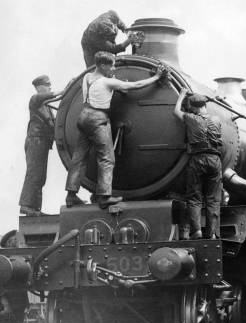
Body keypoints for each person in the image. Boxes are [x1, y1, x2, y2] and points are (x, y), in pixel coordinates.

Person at [65, 51, 164, 209]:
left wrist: (114, 83)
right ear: (103, 65)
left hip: (83, 116)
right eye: (111, 65)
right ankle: (104, 196)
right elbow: (135, 86)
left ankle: (71, 195)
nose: (113, 68)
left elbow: (100, 89)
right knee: (106, 158)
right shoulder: (107, 82)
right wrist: (156, 77)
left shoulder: (88, 77)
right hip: (98, 118)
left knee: (79, 157)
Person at [173, 88, 223, 239]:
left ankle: (197, 231)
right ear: (205, 105)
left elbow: (176, 111)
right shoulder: (217, 120)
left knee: (195, 197)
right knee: (213, 199)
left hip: (198, 159)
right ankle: (212, 233)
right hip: (215, 159)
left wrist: (181, 95)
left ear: (194, 108)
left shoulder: (191, 118)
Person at [18, 75, 67, 216]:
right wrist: (62, 92)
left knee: (40, 176)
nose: (50, 87)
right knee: (34, 174)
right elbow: (46, 97)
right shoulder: (35, 99)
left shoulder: (45, 106)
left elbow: (53, 124)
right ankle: (26, 206)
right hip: (36, 141)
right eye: (48, 85)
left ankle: (35, 209)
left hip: (42, 142)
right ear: (40, 87)